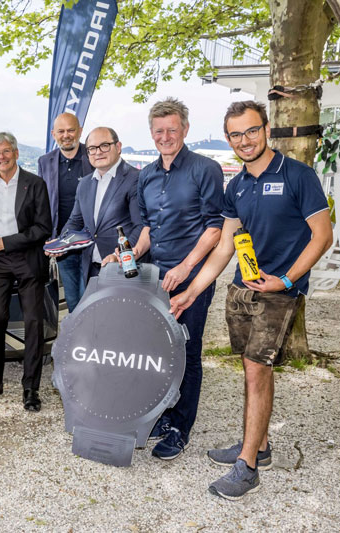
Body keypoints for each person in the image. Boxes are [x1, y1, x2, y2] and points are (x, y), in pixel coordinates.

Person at [170, 100, 333, 500]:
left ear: (267, 129)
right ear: (228, 139)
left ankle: (246, 467)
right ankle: (258, 447)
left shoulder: (298, 175)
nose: (245, 140)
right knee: (252, 370)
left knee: (257, 371)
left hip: (280, 292)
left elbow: (322, 235)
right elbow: (225, 246)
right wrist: (191, 290)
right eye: (236, 134)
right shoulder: (236, 184)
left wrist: (285, 279)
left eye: (251, 130)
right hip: (243, 290)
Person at [106, 98, 225, 461]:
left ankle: (180, 427)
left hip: (192, 278)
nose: (166, 136)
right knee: (158, 351)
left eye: (172, 129)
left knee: (187, 352)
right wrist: (126, 255)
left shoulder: (206, 169)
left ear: (185, 130)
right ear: (151, 133)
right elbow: (147, 232)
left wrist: (187, 268)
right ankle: (163, 414)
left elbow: (215, 227)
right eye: (159, 131)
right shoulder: (147, 176)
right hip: (155, 276)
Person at [0, 132, 52, 411]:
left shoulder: (35, 184)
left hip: (27, 257)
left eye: (6, 152)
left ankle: (30, 387)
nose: (1, 157)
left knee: (33, 321)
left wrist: (7, 242)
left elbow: (43, 228)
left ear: (16, 153)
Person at [54, 127, 141, 284]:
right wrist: (60, 244)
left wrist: (120, 255)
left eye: (105, 145)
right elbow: (75, 221)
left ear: (118, 147)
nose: (98, 152)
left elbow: (140, 227)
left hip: (124, 268)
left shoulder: (135, 179)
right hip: (91, 269)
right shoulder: (85, 183)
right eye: (92, 149)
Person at [37, 113, 94, 311]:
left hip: (92, 243)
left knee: (91, 298)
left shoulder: (93, 155)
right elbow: (41, 201)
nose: (66, 135)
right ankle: (77, 340)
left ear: (80, 131)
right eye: (61, 131)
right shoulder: (45, 162)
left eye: (71, 130)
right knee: (72, 300)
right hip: (63, 245)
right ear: (54, 134)